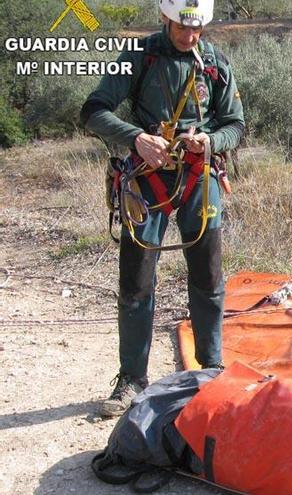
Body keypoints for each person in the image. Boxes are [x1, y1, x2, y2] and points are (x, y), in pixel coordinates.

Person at [80, 0, 244, 417]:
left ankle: (211, 369)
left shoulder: (215, 63)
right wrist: (136, 137)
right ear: (165, 19)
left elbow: (235, 125)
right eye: (181, 28)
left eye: (196, 30)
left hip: (197, 175)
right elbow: (93, 111)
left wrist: (211, 142)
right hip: (146, 179)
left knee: (208, 275)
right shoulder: (139, 56)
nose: (190, 37)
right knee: (136, 280)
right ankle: (131, 379)